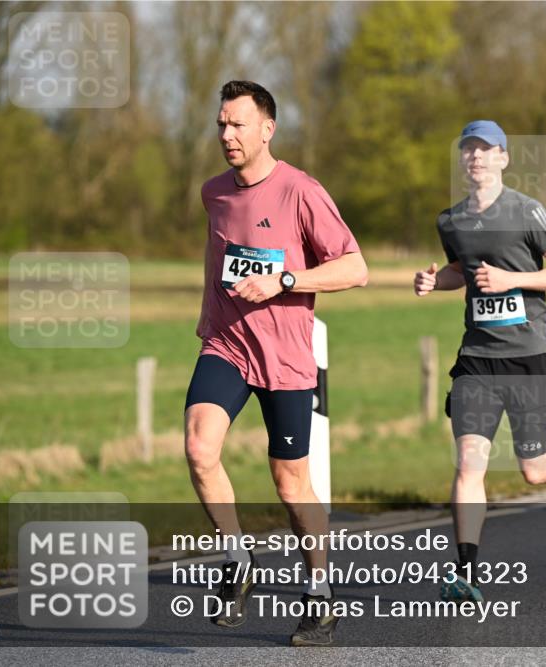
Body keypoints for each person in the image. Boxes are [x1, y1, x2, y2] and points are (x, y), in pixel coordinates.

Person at [185, 80, 368, 646]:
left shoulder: (300, 191)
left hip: (286, 357)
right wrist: (216, 312)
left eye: (238, 124)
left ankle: (319, 593)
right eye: (221, 124)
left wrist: (286, 280)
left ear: (267, 129)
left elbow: (355, 267)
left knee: (291, 485)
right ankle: (237, 558)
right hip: (227, 345)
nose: (227, 134)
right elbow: (221, 260)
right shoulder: (213, 192)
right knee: (199, 447)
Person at [414, 120, 546, 603]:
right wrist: (436, 282)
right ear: (462, 160)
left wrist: (512, 280)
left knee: (534, 469)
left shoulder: (528, 212)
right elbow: (461, 270)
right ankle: (467, 572)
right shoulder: (450, 221)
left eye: (486, 149)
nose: (476, 157)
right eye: (469, 150)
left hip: (530, 357)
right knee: (468, 462)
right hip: (478, 359)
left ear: (503, 158)